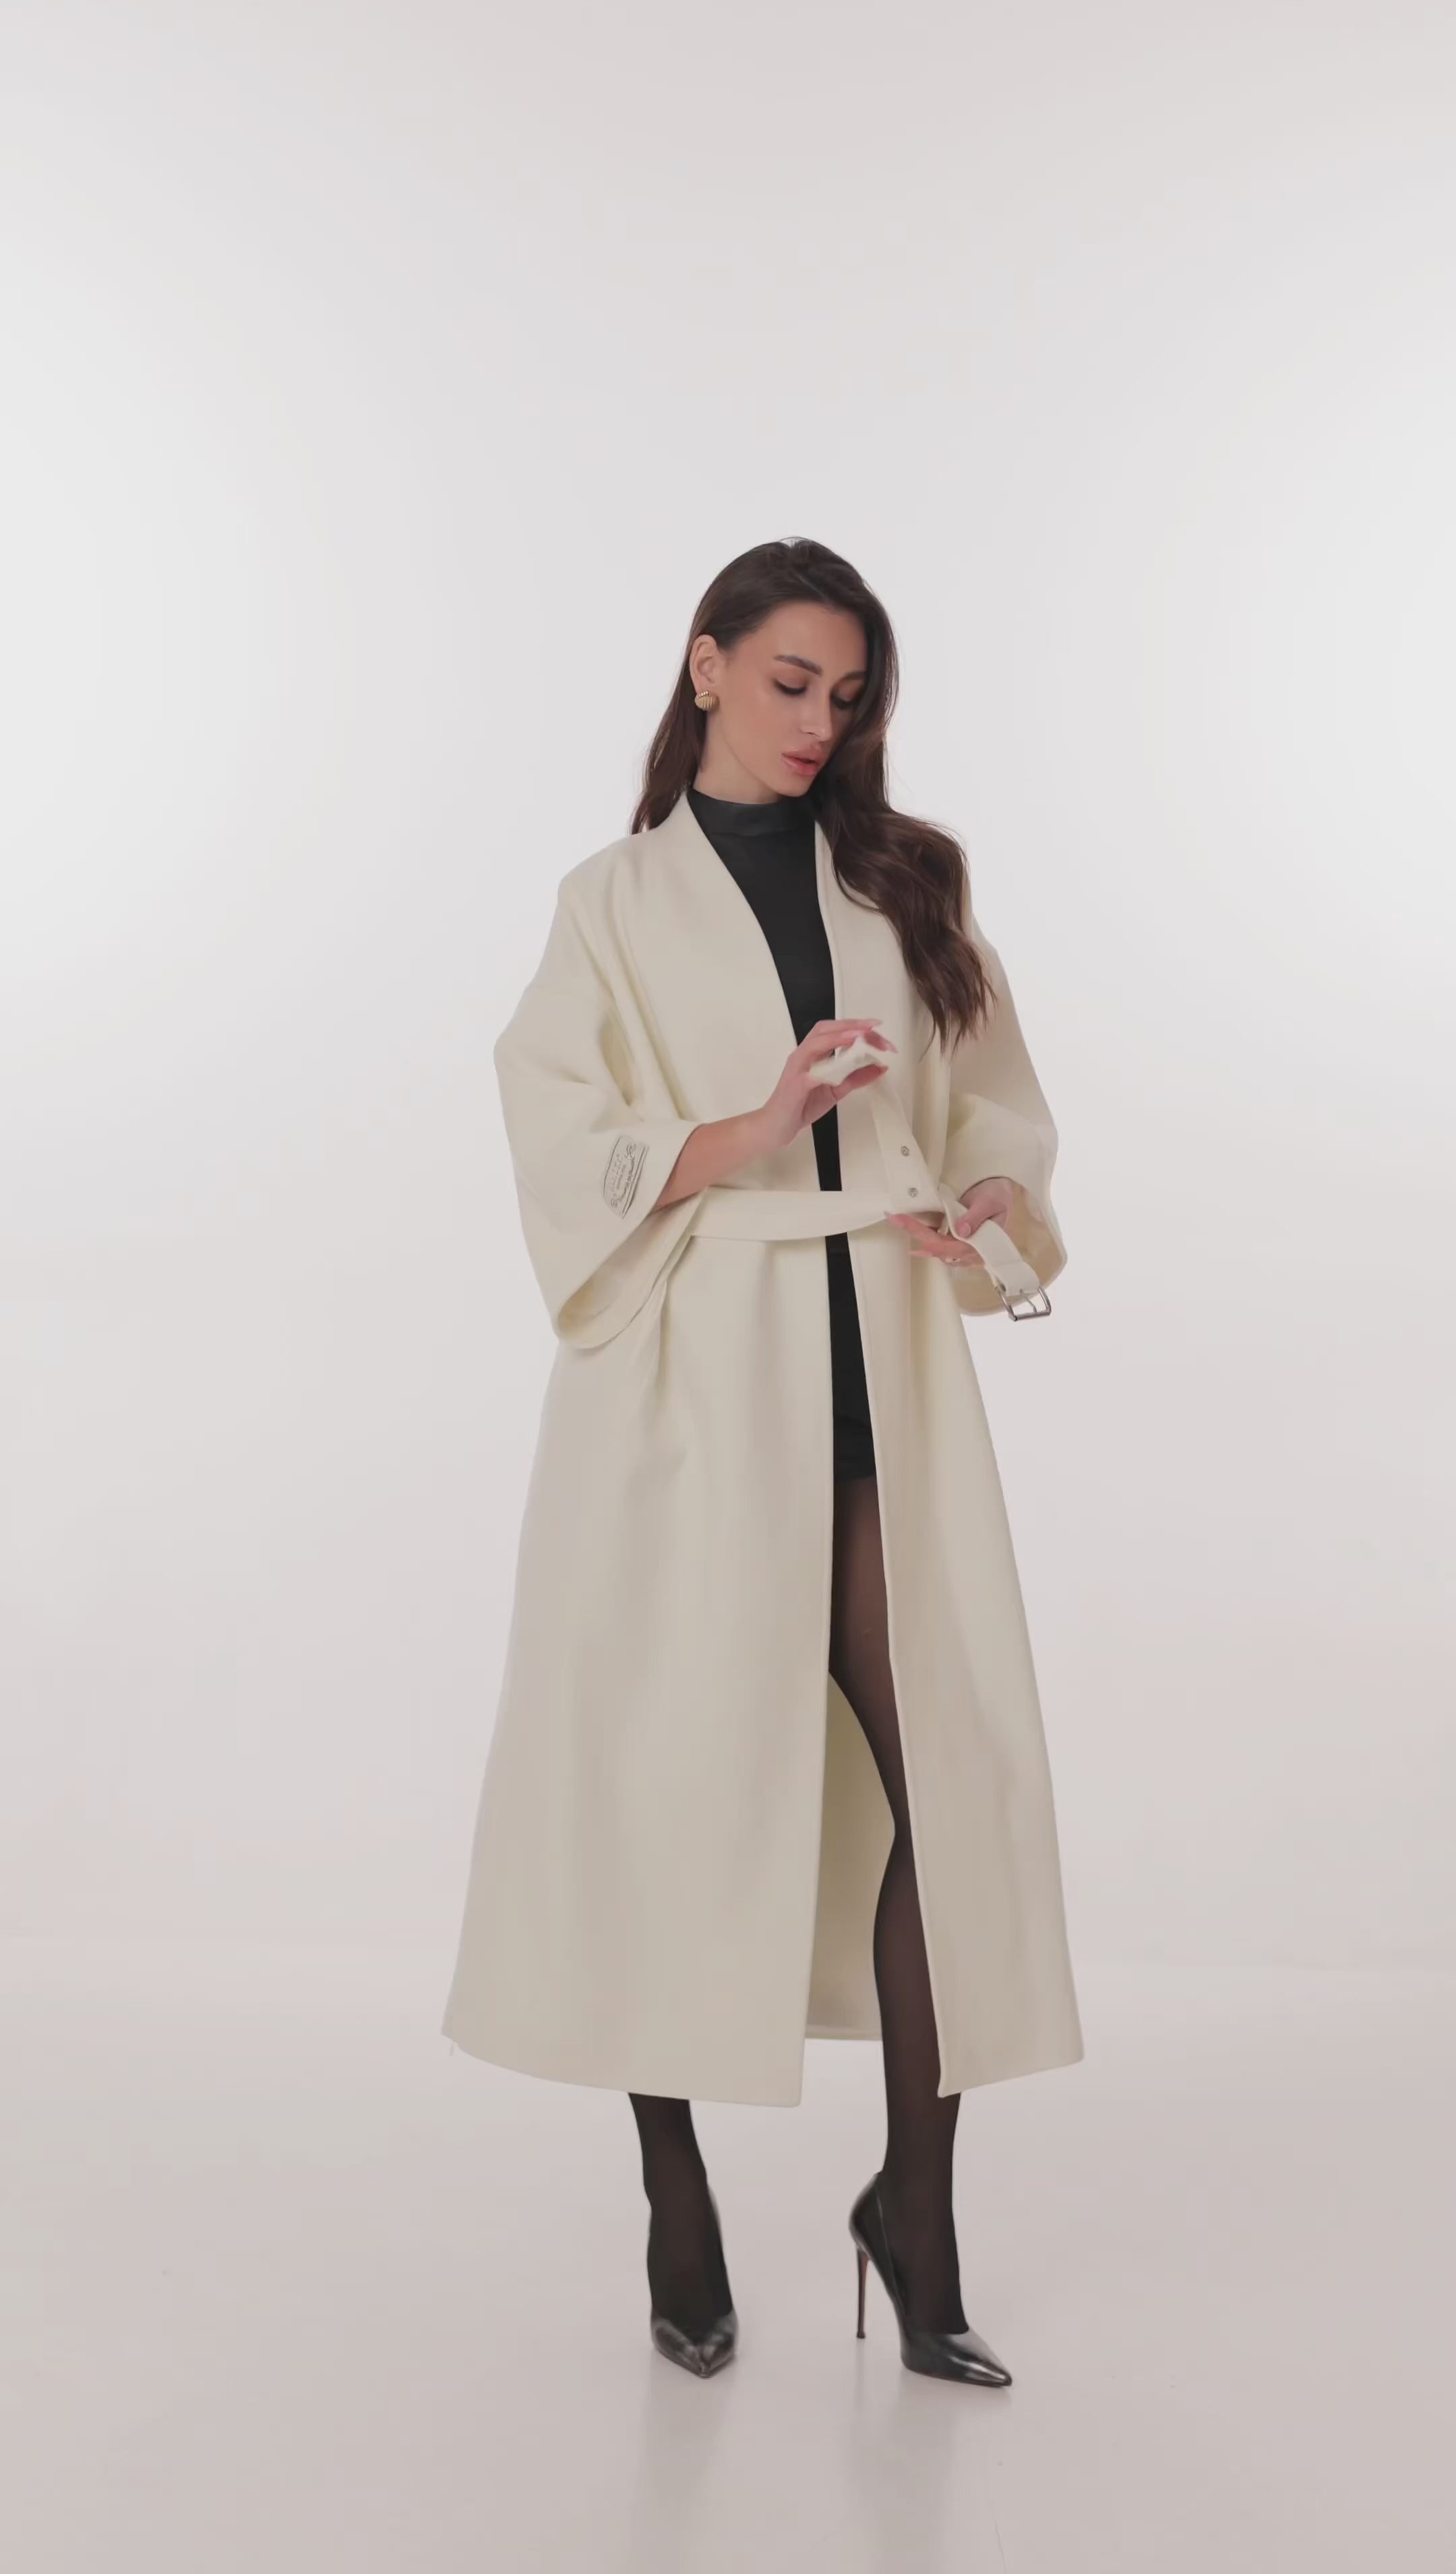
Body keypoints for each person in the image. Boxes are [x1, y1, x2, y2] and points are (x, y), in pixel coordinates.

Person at [442, 536, 1083, 2387]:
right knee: (669, 1787)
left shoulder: (906, 881)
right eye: (792, 681)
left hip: (880, 1379)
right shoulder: (610, 904)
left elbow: (997, 1104)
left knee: (947, 1786)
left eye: (849, 695)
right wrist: (754, 1120)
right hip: (691, 1399)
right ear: (707, 662)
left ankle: (917, 2216)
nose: (820, 722)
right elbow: (562, 1143)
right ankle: (677, 2196)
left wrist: (987, 1196)